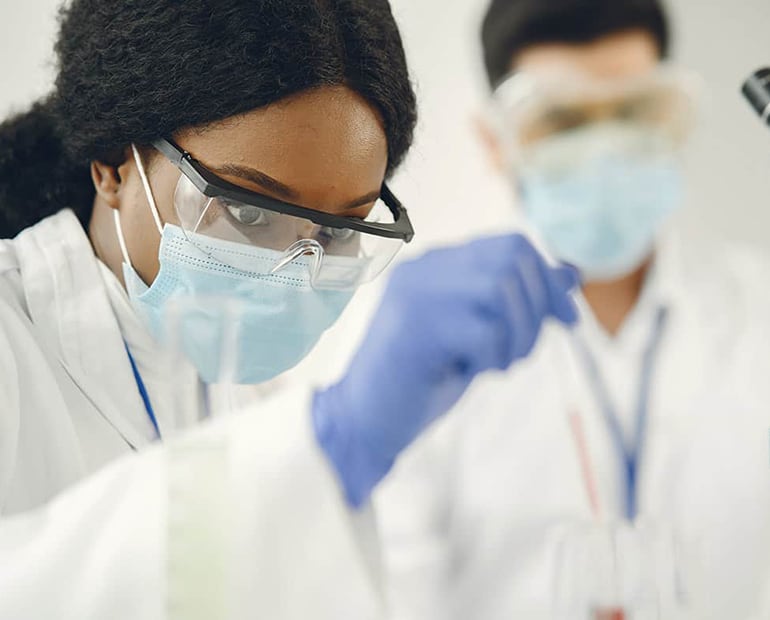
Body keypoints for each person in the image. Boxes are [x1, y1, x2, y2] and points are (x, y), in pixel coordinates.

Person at [0, 1, 582, 617]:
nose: (293, 272)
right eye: (249, 212)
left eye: (337, 230)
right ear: (115, 164)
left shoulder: (249, 400)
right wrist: (325, 447)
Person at [375, 0, 770, 618]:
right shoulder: (426, 337)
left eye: (635, 110)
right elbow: (383, 592)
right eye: (562, 119)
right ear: (496, 139)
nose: (607, 149)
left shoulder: (759, 308)